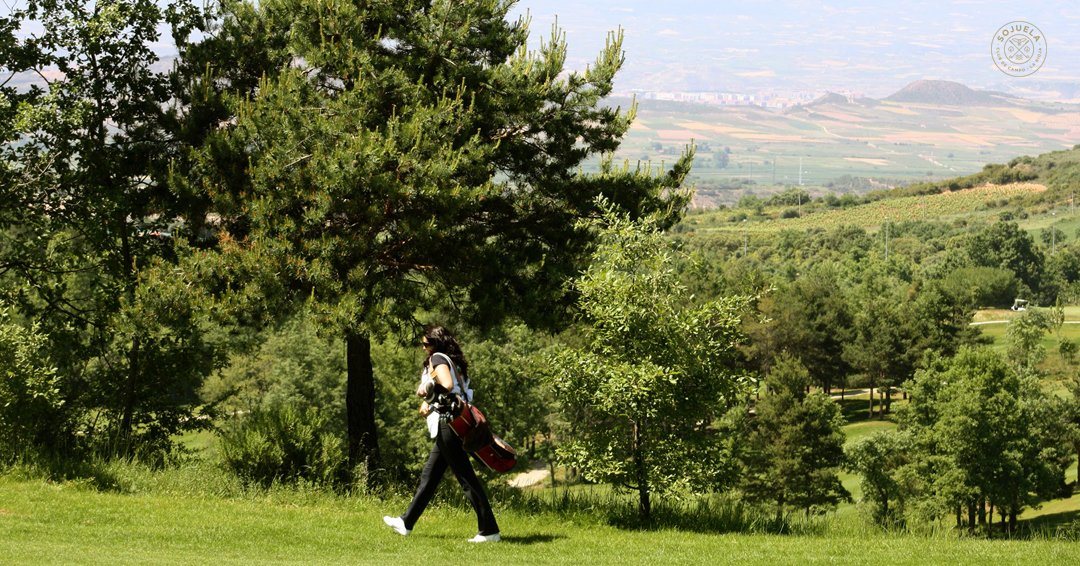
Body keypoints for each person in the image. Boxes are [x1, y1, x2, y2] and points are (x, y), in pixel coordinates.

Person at [383, 325, 501, 543]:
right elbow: (455, 389)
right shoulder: (454, 361)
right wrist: (430, 403)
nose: (424, 348)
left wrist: (426, 391)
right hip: (453, 421)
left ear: (436, 343)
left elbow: (445, 385)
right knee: (430, 477)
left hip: (448, 424)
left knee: (466, 479)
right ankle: (406, 522)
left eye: (426, 344)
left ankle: (489, 530)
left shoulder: (438, 358)